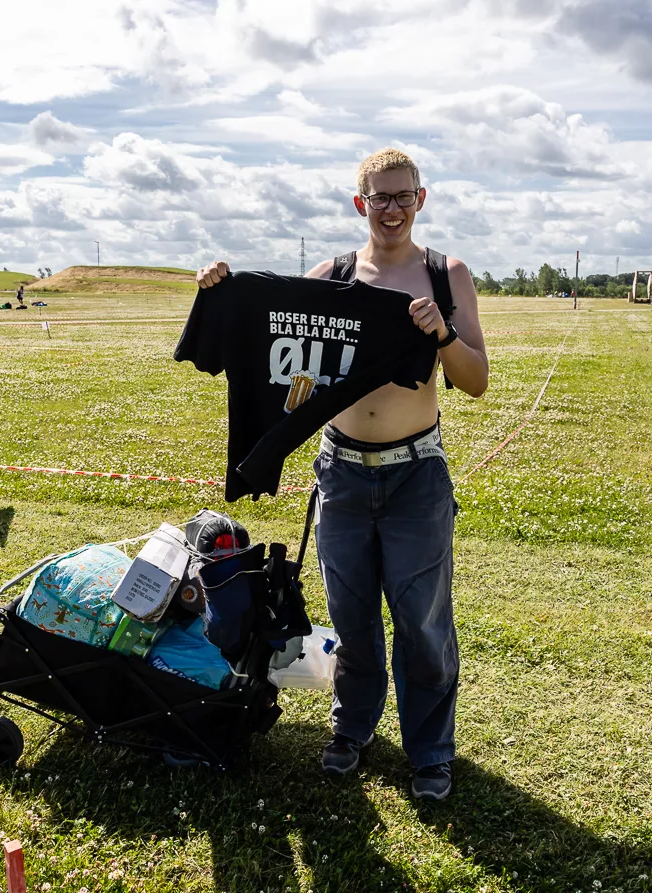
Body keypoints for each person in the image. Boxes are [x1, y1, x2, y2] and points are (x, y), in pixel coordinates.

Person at [195, 148, 488, 801]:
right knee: (351, 619)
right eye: (379, 197)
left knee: (423, 622)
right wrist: (223, 290)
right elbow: (271, 338)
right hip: (343, 474)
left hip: (415, 474)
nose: (392, 208)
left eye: (403, 196)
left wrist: (442, 334)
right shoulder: (333, 276)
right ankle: (352, 729)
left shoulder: (445, 274)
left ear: (421, 199)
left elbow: (476, 380)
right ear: (361, 203)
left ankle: (430, 751)